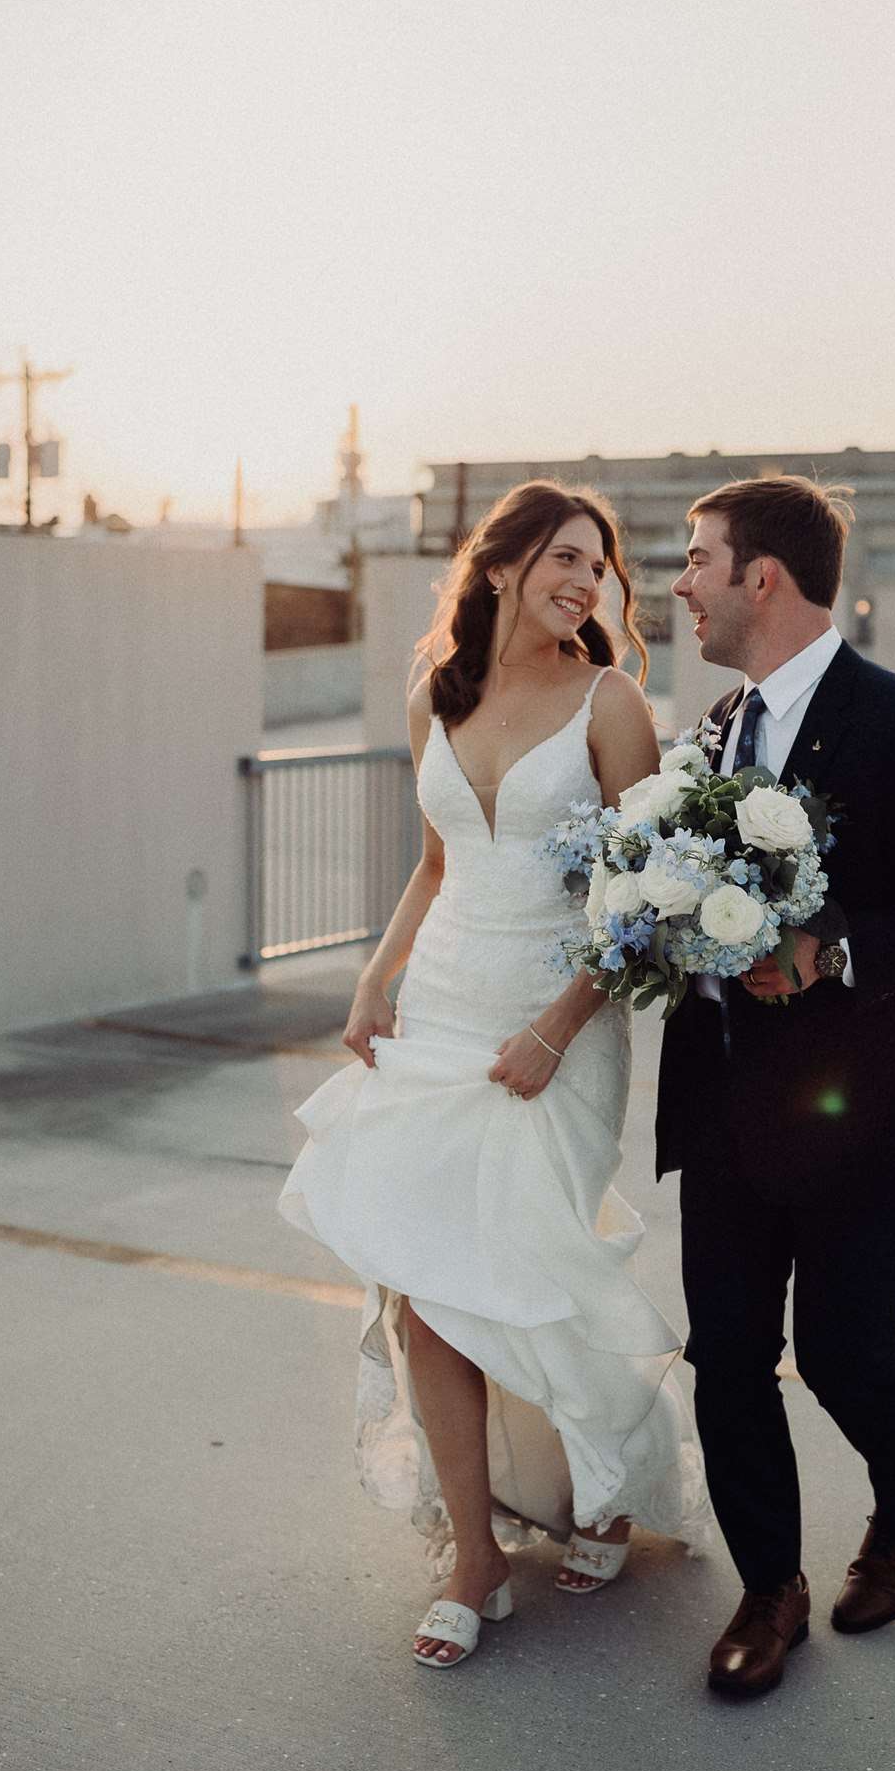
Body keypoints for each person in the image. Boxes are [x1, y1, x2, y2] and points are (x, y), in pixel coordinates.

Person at [280, 480, 710, 1670]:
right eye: (566, 558)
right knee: (425, 1287)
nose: (589, 583)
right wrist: (376, 978)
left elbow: (642, 904)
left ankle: (610, 1484)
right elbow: (432, 861)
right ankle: (475, 1555)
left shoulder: (610, 700)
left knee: (532, 1270)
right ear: (503, 562)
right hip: (441, 1011)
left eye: (602, 567)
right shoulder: (438, 694)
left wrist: (559, 1027)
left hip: (554, 1025)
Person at [658, 475, 895, 1699]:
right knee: (730, 1355)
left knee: (845, 1349)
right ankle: (769, 1588)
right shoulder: (707, 731)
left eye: (696, 559)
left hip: (865, 1103)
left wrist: (830, 945)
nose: (678, 582)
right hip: (723, 1100)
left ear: (763, 576)